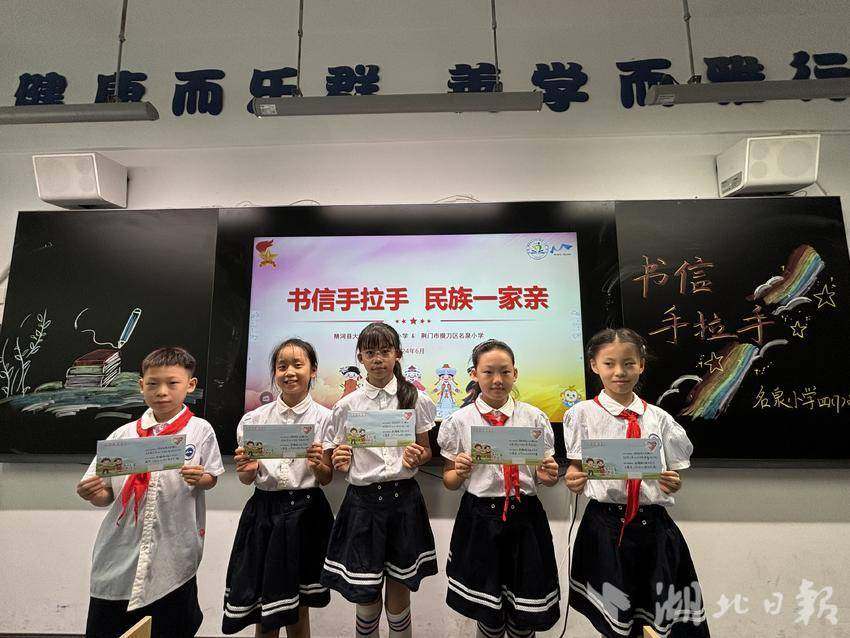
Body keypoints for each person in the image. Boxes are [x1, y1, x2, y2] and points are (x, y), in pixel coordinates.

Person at [564, 328, 710, 637]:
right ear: (594, 365)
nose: (620, 372)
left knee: (659, 616)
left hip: (653, 528)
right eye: (609, 363)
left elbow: (673, 476)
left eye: (629, 363)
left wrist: (673, 482)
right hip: (605, 527)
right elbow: (576, 470)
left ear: (641, 365)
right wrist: (573, 478)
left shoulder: (659, 418)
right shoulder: (581, 414)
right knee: (616, 619)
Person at [76, 346, 224, 638]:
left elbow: (212, 477)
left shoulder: (200, 430)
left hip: (173, 551)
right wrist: (92, 493)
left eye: (172, 383)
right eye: (153, 384)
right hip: (121, 551)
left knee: (171, 627)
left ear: (190, 385)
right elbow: (105, 495)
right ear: (141, 385)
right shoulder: (123, 436)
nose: (162, 392)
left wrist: (201, 478)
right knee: (111, 625)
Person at [321, 323, 438, 638]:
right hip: (363, 505)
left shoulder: (416, 398)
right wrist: (340, 459)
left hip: (404, 503)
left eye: (385, 351)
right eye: (370, 352)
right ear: (360, 357)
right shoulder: (346, 406)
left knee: (399, 594)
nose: (378, 359)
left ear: (397, 354)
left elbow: (427, 450)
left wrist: (418, 456)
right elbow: (337, 458)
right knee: (365, 596)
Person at [438, 339, 561, 638]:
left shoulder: (534, 418)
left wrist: (549, 475)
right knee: (488, 614)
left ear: (515, 373)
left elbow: (545, 477)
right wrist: (459, 471)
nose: (497, 380)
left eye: (505, 372)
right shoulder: (459, 421)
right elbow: (449, 481)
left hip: (526, 519)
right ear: (474, 374)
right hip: (480, 519)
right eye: (488, 372)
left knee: (524, 615)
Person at [222, 339, 334, 638]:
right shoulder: (254, 419)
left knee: (300, 607)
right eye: (282, 366)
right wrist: (246, 470)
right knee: (264, 607)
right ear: (274, 372)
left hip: (308, 513)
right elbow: (247, 478)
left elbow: (326, 478)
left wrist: (317, 465)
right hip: (264, 514)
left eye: (298, 365)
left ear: (313, 371)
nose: (289, 372)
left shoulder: (326, 418)